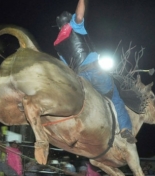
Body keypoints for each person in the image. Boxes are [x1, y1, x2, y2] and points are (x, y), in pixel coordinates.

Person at [53, 0, 136, 143]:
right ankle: (125, 129)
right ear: (68, 20)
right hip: (95, 71)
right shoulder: (73, 26)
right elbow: (79, 15)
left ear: (59, 26)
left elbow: (66, 67)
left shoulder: (57, 44)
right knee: (116, 99)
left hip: (80, 79)